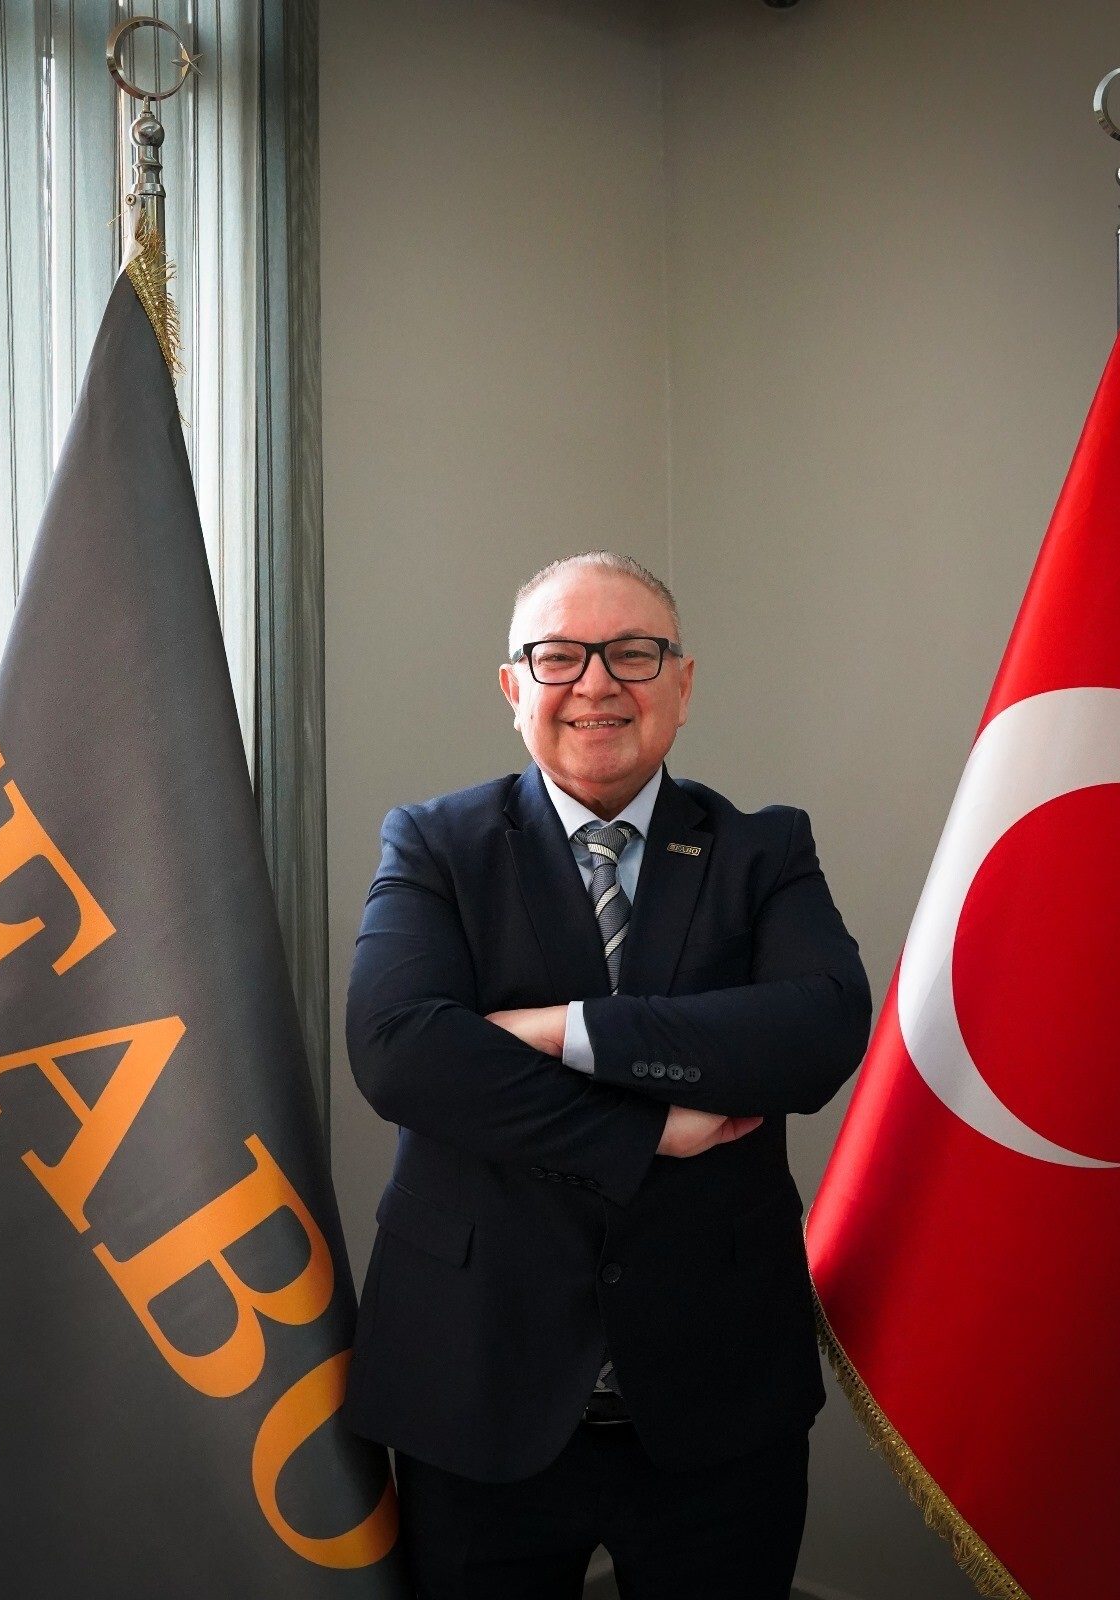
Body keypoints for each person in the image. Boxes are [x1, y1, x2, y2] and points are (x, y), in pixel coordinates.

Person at [343, 551, 871, 1599]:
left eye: (632, 653)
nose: (594, 684)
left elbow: (816, 1031)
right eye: (557, 656)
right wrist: (642, 1130)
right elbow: (400, 1048)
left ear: (681, 682)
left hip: (717, 1402)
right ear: (512, 688)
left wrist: (565, 1027)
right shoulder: (436, 844)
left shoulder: (763, 851)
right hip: (476, 1387)